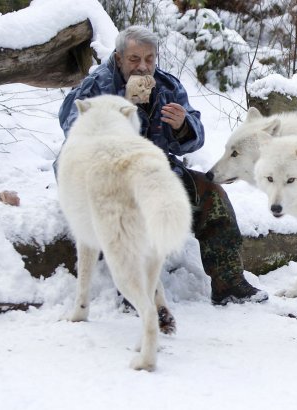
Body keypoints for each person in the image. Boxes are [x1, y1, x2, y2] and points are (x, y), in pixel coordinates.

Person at [56, 25, 268, 306]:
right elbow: (72, 130)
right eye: (134, 60)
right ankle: (136, 291)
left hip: (157, 173)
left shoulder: (167, 86)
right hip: (108, 180)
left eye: (149, 59)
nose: (143, 67)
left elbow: (196, 138)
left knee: (212, 196)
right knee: (132, 209)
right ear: (119, 58)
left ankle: (229, 283)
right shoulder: (95, 88)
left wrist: (182, 126)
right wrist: (119, 114)